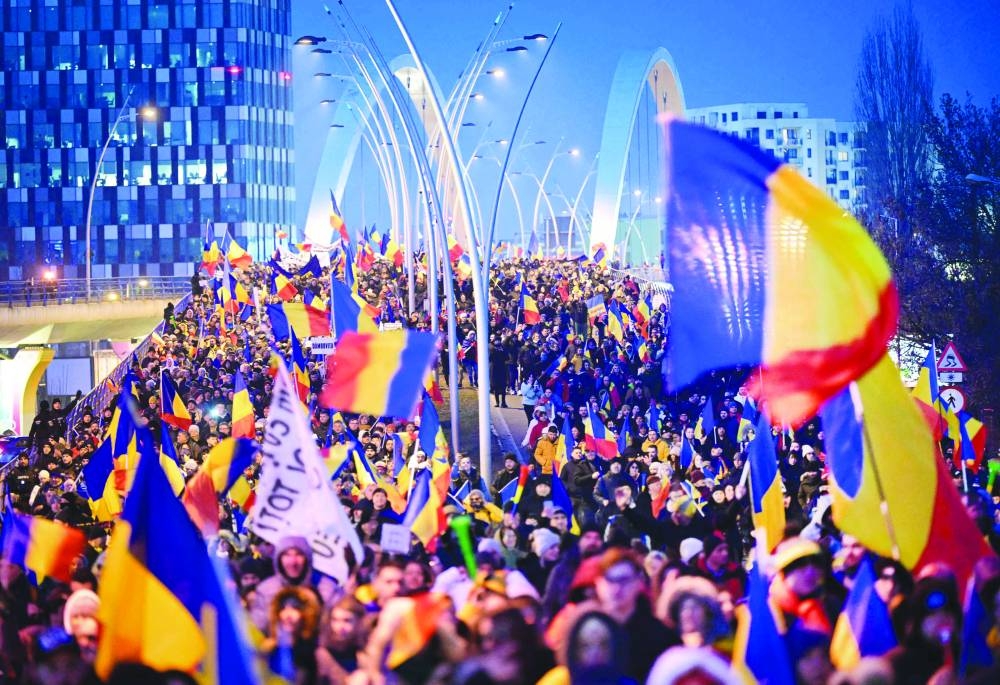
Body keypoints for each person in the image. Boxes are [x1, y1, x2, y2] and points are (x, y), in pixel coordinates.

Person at [250, 536, 342, 635]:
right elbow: (257, 630)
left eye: (298, 555)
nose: (293, 562)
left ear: (307, 558)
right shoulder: (266, 590)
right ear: (278, 558)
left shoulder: (327, 589)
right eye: (287, 555)